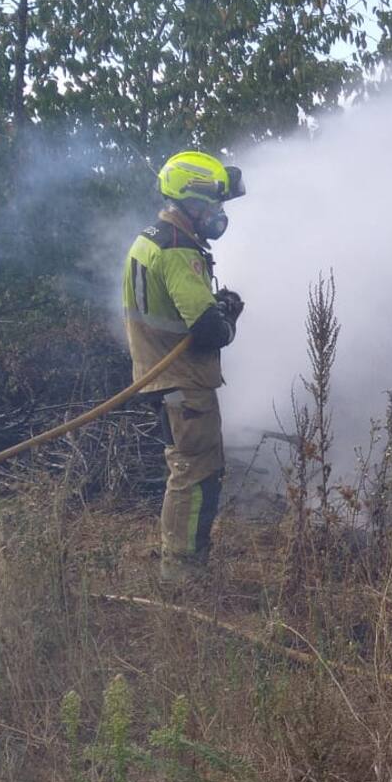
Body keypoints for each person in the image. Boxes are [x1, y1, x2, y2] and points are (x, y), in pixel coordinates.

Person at [122, 151, 246, 584]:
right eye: (212, 204)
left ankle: (180, 565)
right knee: (195, 472)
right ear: (188, 200)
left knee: (186, 468)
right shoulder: (177, 250)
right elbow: (208, 329)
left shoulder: (153, 237)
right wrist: (228, 314)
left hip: (160, 374)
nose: (217, 214)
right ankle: (183, 574)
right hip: (182, 381)